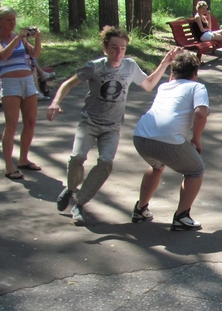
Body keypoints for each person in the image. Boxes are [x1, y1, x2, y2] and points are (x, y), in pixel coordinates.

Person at [46, 27, 179, 225]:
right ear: (106, 48)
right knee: (77, 157)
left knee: (106, 162)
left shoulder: (130, 66)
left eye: (123, 48)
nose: (119, 52)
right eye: (114, 47)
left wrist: (165, 63)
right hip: (89, 122)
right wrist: (55, 102)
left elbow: (149, 85)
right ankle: (71, 187)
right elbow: (69, 83)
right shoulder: (94, 67)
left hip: (112, 127)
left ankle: (79, 202)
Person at [132, 51, 210, 231]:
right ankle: (182, 217)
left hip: (140, 136)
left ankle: (140, 209)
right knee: (196, 170)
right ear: (195, 73)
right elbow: (200, 113)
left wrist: (167, 63)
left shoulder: (164, 87)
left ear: (173, 73)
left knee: (157, 166)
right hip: (167, 140)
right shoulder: (197, 87)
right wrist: (196, 139)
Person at [0, 6, 41, 180]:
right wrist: (18, 37)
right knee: (11, 124)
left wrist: (38, 38)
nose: (12, 23)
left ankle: (23, 159)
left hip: (27, 81)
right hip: (10, 83)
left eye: (14, 19)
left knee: (30, 122)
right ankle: (9, 166)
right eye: (8, 20)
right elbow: (3, 55)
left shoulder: (19, 38)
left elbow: (35, 54)